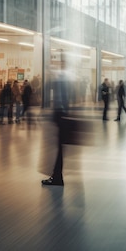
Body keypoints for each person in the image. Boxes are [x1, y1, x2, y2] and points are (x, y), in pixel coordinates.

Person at [42, 57, 71, 186]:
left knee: (58, 149)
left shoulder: (60, 79)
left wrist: (55, 116)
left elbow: (60, 100)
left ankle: (57, 177)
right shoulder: (64, 78)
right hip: (62, 115)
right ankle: (56, 175)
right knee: (59, 149)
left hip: (60, 116)